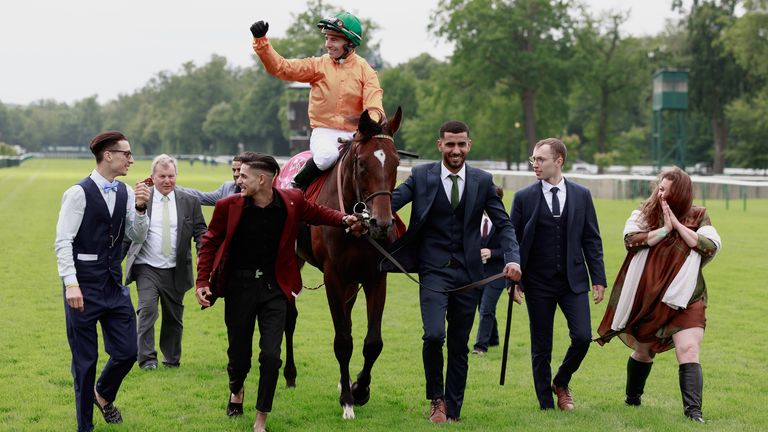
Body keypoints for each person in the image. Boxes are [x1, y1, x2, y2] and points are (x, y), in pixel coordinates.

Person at [194, 152, 364, 432]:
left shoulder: (292, 201)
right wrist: (202, 282)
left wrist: (345, 219)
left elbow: (318, 213)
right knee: (239, 356)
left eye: (243, 176)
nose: (238, 180)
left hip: (275, 288)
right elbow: (210, 242)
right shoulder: (228, 206)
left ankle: (261, 420)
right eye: (238, 175)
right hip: (240, 288)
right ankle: (236, 390)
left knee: (271, 356)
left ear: (262, 180)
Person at [384, 121, 522, 423]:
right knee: (434, 336)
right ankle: (436, 399)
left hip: (471, 274)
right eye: (450, 145)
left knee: (459, 345)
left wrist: (513, 259)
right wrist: (362, 213)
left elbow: (505, 225)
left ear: (468, 146)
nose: (455, 150)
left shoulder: (483, 181)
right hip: (433, 272)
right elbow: (389, 202)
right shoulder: (421, 176)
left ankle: (454, 409)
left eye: (461, 145)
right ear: (440, 146)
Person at [596, 167, 720, 423]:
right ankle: (633, 398)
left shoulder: (699, 215)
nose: (660, 194)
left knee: (688, 349)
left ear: (681, 195)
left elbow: (709, 246)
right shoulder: (644, 213)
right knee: (644, 351)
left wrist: (677, 225)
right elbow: (631, 240)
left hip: (687, 298)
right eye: (659, 188)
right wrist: (664, 229)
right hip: (650, 299)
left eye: (665, 190)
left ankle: (693, 413)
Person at [54, 131, 151, 432]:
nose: (131, 160)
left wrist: (139, 208)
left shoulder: (123, 192)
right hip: (82, 287)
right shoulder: (78, 193)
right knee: (85, 364)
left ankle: (103, 394)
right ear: (108, 155)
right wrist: (71, 284)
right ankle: (85, 428)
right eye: (127, 154)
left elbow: (136, 235)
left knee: (128, 352)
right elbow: (62, 241)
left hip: (113, 285)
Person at [509, 137, 606, 411]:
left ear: (558, 161)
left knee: (583, 337)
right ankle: (545, 404)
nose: (535, 165)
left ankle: (561, 382)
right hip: (537, 283)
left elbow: (592, 239)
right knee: (541, 346)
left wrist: (597, 278)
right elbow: (512, 241)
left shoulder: (581, 195)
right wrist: (512, 282)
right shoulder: (524, 198)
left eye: (540, 159)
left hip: (573, 281)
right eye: (533, 160)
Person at [249, 11, 384, 189]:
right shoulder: (317, 65)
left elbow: (374, 106)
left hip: (356, 135)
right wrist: (262, 42)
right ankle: (294, 188)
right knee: (327, 157)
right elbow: (281, 68)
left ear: (350, 43)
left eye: (334, 39)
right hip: (325, 133)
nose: (328, 44)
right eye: (327, 38)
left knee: (378, 160)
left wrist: (372, 123)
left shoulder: (366, 71)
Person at [124, 154, 207, 370]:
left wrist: (203, 253)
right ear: (153, 177)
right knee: (147, 310)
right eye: (162, 176)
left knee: (173, 317)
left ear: (176, 176)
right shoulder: (141, 199)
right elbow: (128, 232)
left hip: (176, 268)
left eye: (171, 176)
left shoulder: (190, 201)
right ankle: (147, 360)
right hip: (147, 267)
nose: (167, 181)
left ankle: (171, 359)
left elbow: (200, 231)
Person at [472, 186, 508, 355]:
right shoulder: (473, 219)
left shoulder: (505, 222)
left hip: (497, 273)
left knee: (486, 307)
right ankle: (493, 339)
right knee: (483, 308)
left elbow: (511, 249)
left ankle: (480, 347)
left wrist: (492, 253)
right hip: (477, 272)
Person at [176, 155, 242, 206]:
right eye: (234, 170)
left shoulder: (252, 193)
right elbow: (201, 197)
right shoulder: (227, 188)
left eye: (239, 170)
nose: (236, 174)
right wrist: (174, 188)